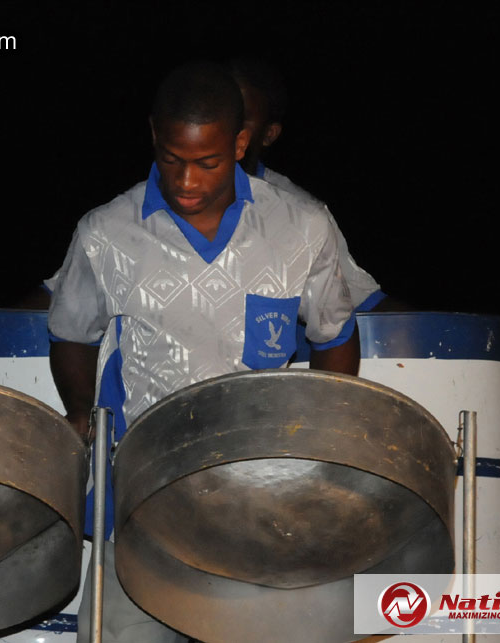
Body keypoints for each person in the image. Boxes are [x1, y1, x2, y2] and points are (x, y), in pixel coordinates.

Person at [47, 60, 360, 643]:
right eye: (172, 159)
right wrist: (79, 410)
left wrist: (325, 429)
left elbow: (334, 335)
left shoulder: (301, 226)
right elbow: (72, 334)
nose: (186, 181)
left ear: (240, 144)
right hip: (141, 501)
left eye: (207, 163)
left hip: (261, 497)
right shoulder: (104, 233)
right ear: (153, 137)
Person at [227, 56, 412, 315]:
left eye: (242, 117)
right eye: (219, 111)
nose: (226, 126)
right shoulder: (162, 197)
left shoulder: (300, 216)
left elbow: (366, 306)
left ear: (270, 133)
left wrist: (440, 336)